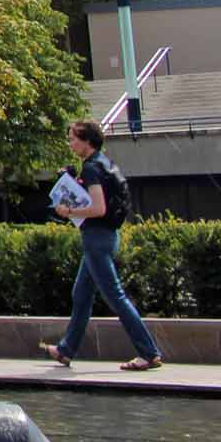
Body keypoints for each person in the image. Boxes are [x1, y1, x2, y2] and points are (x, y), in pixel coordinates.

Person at [41, 119, 165, 372]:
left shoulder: (91, 169)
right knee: (81, 294)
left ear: (87, 141)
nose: (70, 143)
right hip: (107, 236)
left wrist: (68, 210)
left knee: (115, 296)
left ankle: (148, 353)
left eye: (73, 138)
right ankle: (66, 350)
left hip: (97, 238)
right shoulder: (104, 163)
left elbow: (98, 208)